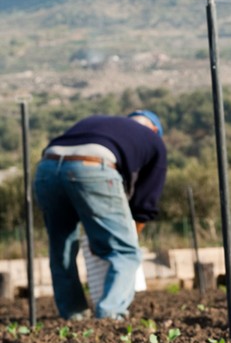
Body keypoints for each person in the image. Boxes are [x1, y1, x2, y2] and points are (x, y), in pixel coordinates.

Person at [34, 110, 167, 320]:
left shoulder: (98, 121)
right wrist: (130, 236)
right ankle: (110, 317)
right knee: (126, 252)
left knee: (62, 248)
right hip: (91, 166)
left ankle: (73, 315)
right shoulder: (154, 140)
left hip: (47, 168)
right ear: (155, 130)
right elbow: (144, 205)